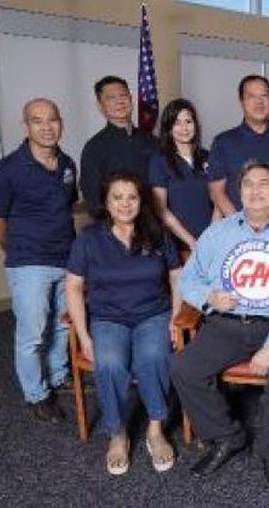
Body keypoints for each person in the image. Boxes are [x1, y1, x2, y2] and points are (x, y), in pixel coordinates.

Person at [172, 161, 269, 486]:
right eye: (248, 184)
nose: (255, 190)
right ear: (239, 193)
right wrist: (209, 297)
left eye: (264, 183)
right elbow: (189, 280)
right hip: (226, 324)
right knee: (184, 369)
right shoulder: (217, 233)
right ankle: (226, 437)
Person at [65, 172, 181, 476]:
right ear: (106, 201)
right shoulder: (89, 238)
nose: (125, 204)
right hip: (108, 318)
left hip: (152, 314)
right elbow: (74, 287)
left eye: (132, 197)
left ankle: (155, 430)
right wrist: (84, 336)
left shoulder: (156, 233)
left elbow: (176, 275)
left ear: (141, 201)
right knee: (110, 362)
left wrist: (175, 317)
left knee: (154, 356)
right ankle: (118, 434)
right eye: (118, 197)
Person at [0, 98, 77, 422]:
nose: (47, 127)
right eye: (38, 121)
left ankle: (57, 377)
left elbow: (65, 207)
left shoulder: (67, 164)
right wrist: (21, 249)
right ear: (26, 127)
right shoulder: (5, 171)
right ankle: (36, 394)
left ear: (60, 123)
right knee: (33, 333)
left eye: (52, 119)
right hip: (29, 263)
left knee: (64, 327)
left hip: (67, 259)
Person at [208, 75, 269, 217]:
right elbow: (217, 192)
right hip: (236, 232)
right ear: (241, 102)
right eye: (251, 96)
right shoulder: (223, 142)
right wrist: (241, 227)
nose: (259, 102)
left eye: (264, 95)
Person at [80, 75, 159, 216]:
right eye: (111, 98)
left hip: (154, 226)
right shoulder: (94, 147)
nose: (119, 101)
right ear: (100, 106)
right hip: (115, 230)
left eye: (123, 95)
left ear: (131, 99)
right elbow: (94, 200)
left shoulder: (153, 141)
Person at [149, 98, 214, 251]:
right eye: (177, 123)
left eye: (188, 121)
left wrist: (211, 237)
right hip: (179, 244)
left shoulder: (209, 156)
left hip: (211, 239)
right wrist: (192, 242)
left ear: (195, 125)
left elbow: (218, 200)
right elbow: (161, 209)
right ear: (168, 128)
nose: (184, 128)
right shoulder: (159, 161)